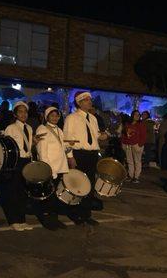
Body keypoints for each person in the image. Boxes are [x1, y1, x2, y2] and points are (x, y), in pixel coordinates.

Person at [63, 91, 108, 225]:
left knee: (90, 186)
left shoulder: (93, 118)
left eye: (90, 99)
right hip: (79, 154)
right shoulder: (71, 118)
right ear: (79, 102)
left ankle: (86, 214)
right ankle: (75, 213)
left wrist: (102, 136)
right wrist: (70, 157)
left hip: (92, 154)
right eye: (87, 100)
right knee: (77, 185)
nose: (90, 102)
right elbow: (67, 140)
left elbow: (95, 136)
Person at [34, 106, 77, 230]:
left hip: (59, 167)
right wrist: (48, 170)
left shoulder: (59, 130)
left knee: (55, 196)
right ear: (47, 117)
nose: (55, 118)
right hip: (50, 168)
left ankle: (54, 218)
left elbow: (62, 147)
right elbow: (42, 151)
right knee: (47, 196)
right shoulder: (42, 129)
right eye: (52, 115)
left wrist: (69, 146)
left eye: (57, 115)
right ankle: (46, 219)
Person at [2, 101, 35, 231]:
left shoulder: (29, 128)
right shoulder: (11, 128)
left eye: (25, 112)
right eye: (20, 112)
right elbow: (8, 147)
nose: (23, 114)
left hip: (26, 160)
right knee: (13, 192)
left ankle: (22, 220)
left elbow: (28, 146)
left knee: (23, 192)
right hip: (16, 162)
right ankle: (13, 220)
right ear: (15, 114)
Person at [121, 110, 147, 183]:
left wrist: (140, 144)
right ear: (132, 115)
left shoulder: (141, 124)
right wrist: (123, 143)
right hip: (128, 145)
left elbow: (144, 135)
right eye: (135, 114)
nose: (137, 116)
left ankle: (136, 177)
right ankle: (130, 175)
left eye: (138, 115)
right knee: (129, 161)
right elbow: (124, 134)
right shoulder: (128, 124)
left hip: (136, 145)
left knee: (137, 161)